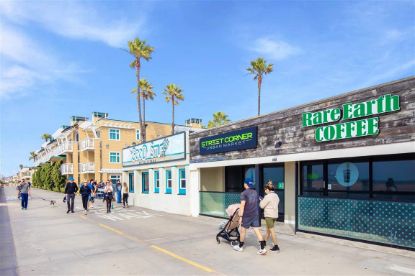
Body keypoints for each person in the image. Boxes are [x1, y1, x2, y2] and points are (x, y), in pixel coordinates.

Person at [233, 179, 267, 255]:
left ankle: (240, 246)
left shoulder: (244, 193)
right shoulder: (255, 192)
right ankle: (262, 248)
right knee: (257, 230)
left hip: (247, 215)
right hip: (255, 214)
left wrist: (240, 216)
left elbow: (242, 205)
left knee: (243, 230)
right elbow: (261, 199)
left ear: (245, 184)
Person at [259, 181, 280, 252]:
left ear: (268, 189)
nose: (265, 191)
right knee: (268, 229)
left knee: (272, 230)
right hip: (275, 215)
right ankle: (264, 241)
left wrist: (261, 200)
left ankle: (276, 245)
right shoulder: (276, 195)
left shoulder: (267, 196)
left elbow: (261, 206)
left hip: (269, 215)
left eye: (265, 190)